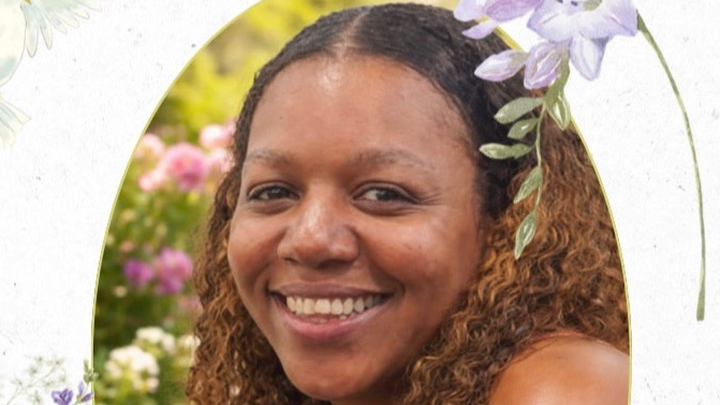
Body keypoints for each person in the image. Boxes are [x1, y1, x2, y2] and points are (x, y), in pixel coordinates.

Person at [186, 3, 629, 405]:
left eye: (383, 194)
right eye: (274, 192)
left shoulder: (563, 389)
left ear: (510, 214)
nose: (310, 240)